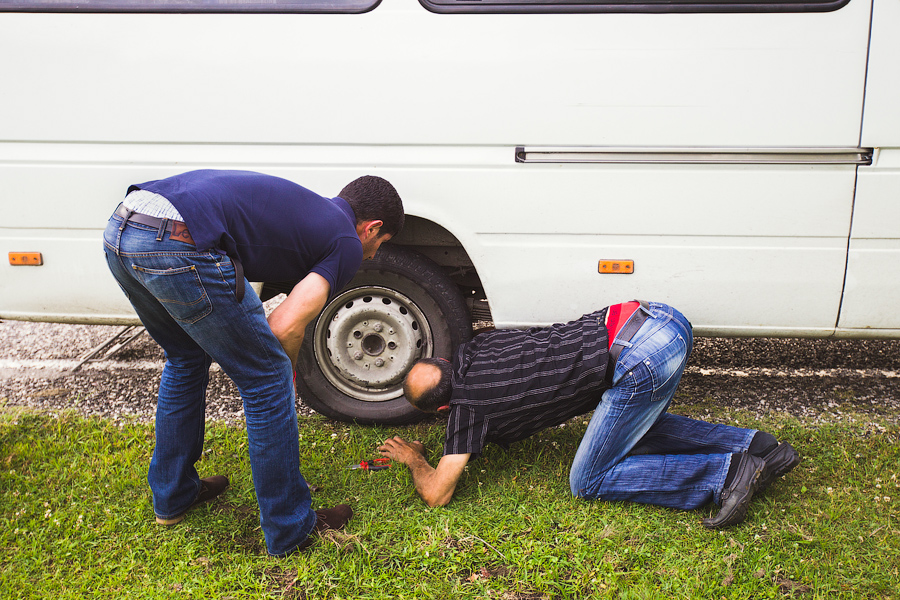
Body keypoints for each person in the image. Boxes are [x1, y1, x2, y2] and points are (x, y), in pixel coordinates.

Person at [103, 169, 404, 556]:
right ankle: (290, 529)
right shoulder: (346, 241)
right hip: (179, 238)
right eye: (381, 242)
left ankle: (174, 497)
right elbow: (283, 325)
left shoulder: (309, 213)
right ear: (372, 227)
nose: (374, 253)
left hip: (123, 226)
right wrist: (282, 376)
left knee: (185, 357)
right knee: (268, 379)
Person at [378, 301, 800, 528]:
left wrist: (416, 458)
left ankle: (724, 474)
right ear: (447, 362)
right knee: (633, 429)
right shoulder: (479, 348)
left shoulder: (467, 410)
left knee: (587, 481)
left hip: (640, 359)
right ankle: (759, 447)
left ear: (444, 409)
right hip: (657, 318)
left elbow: (438, 494)